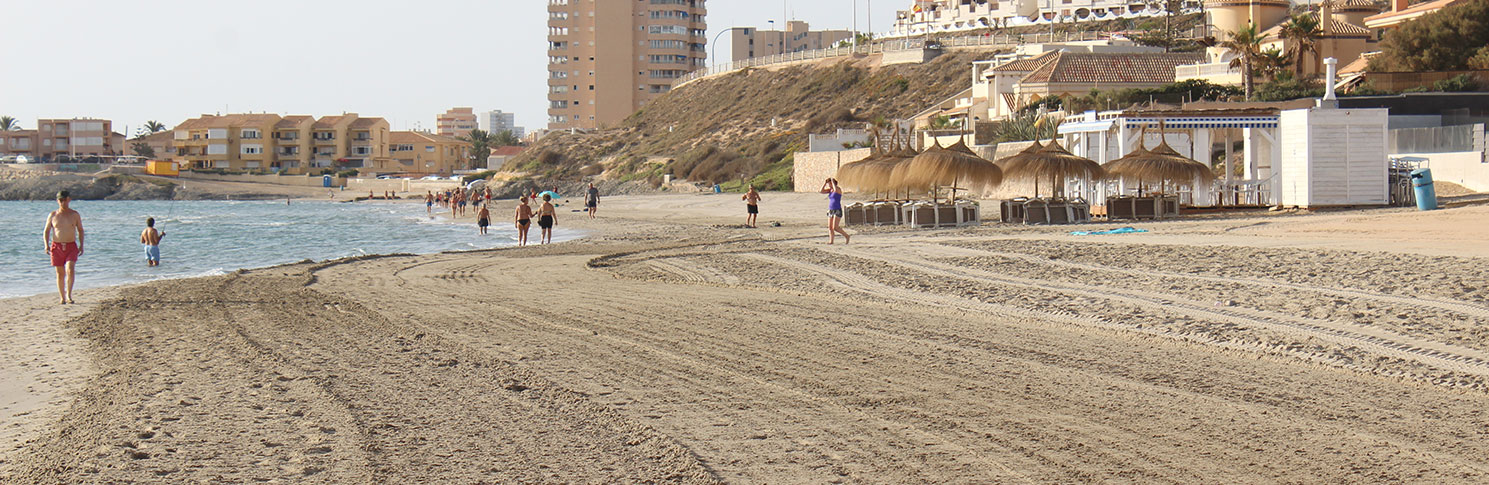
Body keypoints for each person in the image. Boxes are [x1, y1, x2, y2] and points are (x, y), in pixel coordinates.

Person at [43, 190, 84, 304]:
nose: (62, 203)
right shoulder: (53, 215)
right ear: (57, 201)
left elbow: (80, 230)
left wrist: (81, 245)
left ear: (68, 200)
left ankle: (69, 295)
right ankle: (62, 297)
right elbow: (46, 231)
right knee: (60, 273)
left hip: (71, 246)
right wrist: (46, 245)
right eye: (60, 200)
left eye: (64, 200)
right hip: (57, 246)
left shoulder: (74, 214)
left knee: (70, 269)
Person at [819, 178, 850, 244]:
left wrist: (832, 182)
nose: (829, 185)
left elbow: (835, 190)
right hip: (831, 209)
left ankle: (846, 236)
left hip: (837, 209)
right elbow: (821, 191)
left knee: (835, 227)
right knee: (830, 227)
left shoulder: (838, 189)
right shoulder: (830, 190)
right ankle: (831, 241)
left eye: (830, 184)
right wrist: (825, 183)